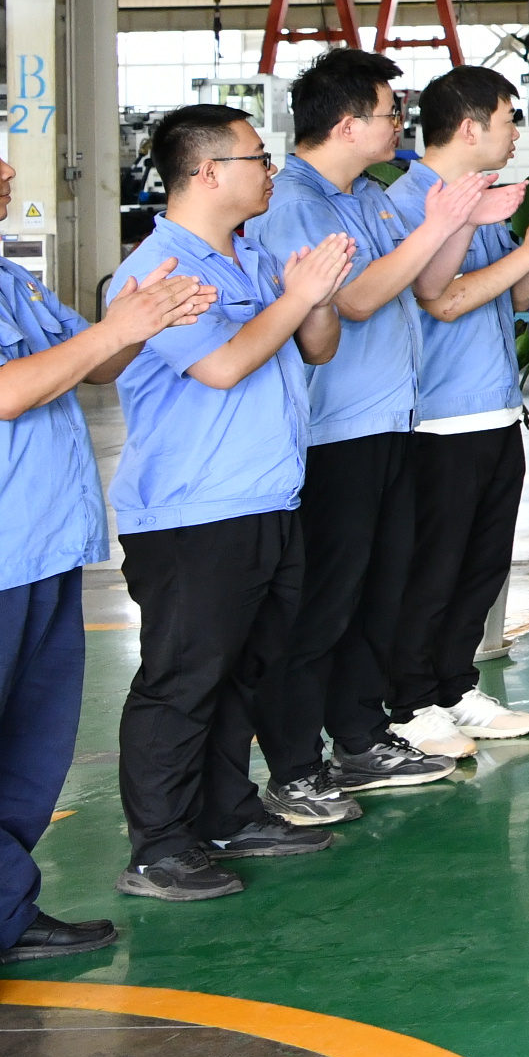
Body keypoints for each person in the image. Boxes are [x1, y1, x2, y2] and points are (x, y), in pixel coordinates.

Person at [0, 111, 211, 1014]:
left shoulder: (2, 276)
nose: (7, 170)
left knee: (24, 760)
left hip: (39, 551)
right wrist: (119, 329)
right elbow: (2, 393)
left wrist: (147, 319)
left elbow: (94, 367)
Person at [104, 104, 358, 898]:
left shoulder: (249, 257)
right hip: (194, 513)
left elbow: (318, 348)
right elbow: (221, 366)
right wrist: (296, 295)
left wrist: (315, 295)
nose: (270, 169)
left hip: (265, 497)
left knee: (243, 672)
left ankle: (226, 814)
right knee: (183, 681)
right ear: (209, 171)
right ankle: (158, 847)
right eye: (257, 157)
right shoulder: (158, 271)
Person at [244, 48, 490, 803]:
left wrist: (459, 223)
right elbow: (351, 301)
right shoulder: (298, 206)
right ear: (348, 124)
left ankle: (359, 737)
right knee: (323, 603)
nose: (400, 125)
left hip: (388, 421)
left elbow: (421, 284)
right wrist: (437, 223)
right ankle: (295, 765)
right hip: (334, 433)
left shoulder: (366, 197)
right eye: (391, 113)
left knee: (375, 595)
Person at [397, 69, 529, 752]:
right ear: (470, 127)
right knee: (433, 569)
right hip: (438, 417)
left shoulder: (482, 199)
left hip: (492, 408)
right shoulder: (411, 203)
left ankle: (454, 688)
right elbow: (443, 298)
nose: (517, 132)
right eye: (508, 118)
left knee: (481, 567)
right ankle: (410, 701)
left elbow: (508, 295)